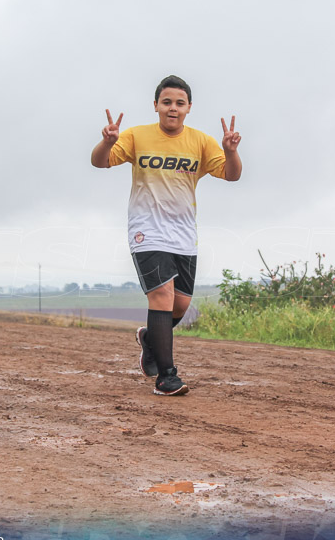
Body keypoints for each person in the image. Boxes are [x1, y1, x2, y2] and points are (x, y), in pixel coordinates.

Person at [91, 75, 242, 395]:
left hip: (184, 233)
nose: (173, 108)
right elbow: (99, 162)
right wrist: (107, 141)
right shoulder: (136, 136)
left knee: (180, 305)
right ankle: (166, 376)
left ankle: (149, 339)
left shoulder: (201, 142)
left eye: (179, 103)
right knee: (161, 297)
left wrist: (230, 151)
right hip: (147, 230)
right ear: (156, 105)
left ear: (188, 108)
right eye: (167, 102)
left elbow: (232, 175)